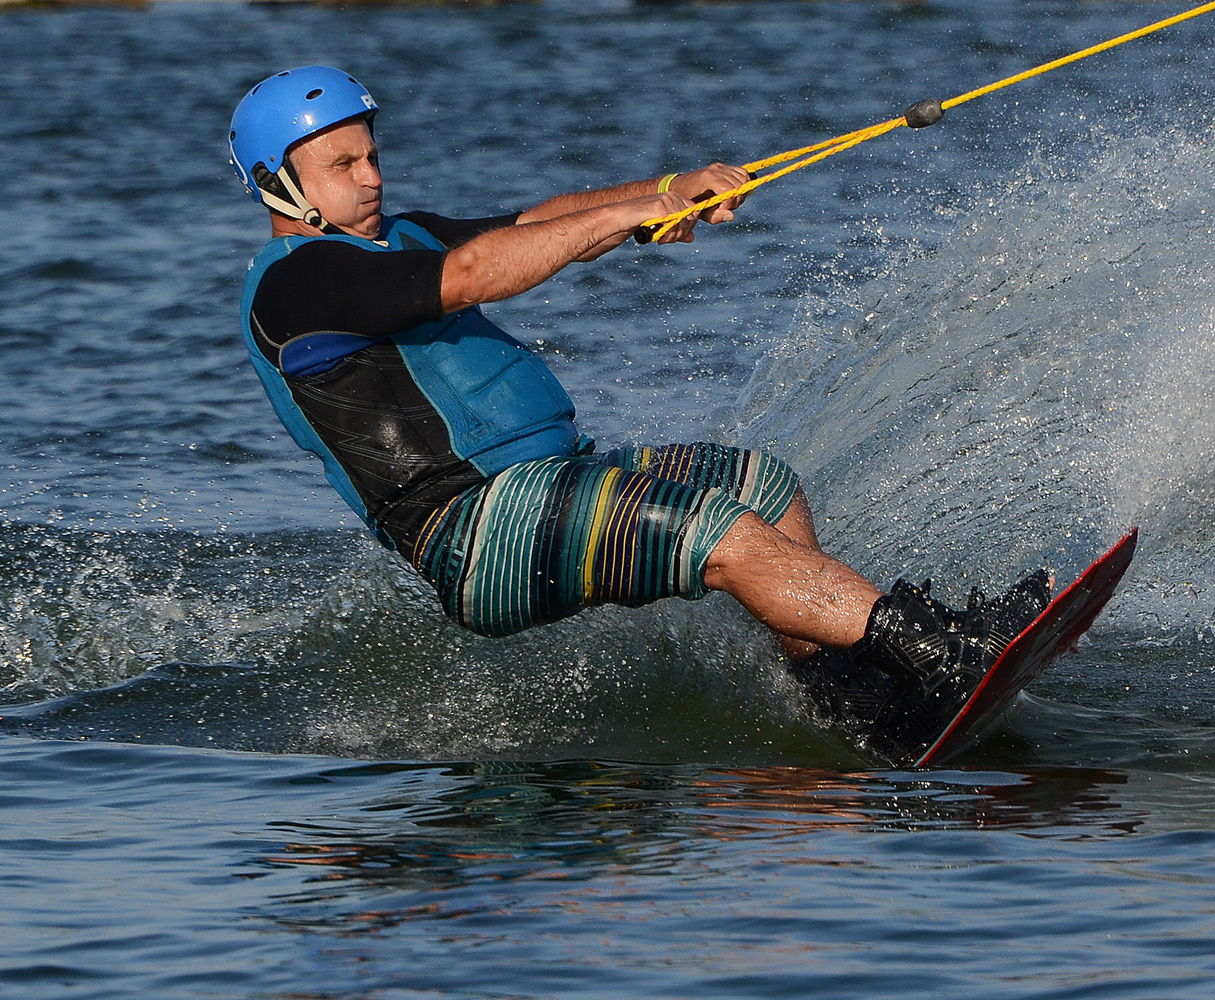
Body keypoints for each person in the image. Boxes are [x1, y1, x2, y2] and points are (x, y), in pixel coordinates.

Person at [227, 66, 1050, 762]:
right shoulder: (296, 283)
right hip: (474, 528)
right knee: (720, 538)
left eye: (372, 154)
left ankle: (841, 700)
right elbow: (477, 271)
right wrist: (624, 217)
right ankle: (936, 653)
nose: (371, 177)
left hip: (553, 477)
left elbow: (533, 225)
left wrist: (664, 195)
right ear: (278, 184)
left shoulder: (396, 235)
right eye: (343, 164)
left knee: (761, 488)